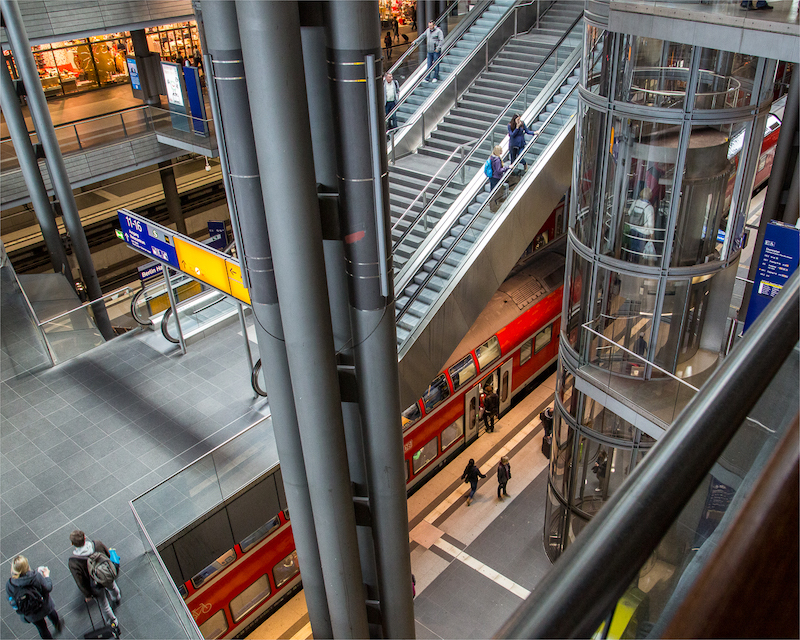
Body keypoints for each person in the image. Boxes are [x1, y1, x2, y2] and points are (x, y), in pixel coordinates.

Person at [68, 530, 120, 636]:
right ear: (84, 538)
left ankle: (113, 622)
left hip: (95, 584)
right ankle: (116, 598)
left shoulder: (74, 562)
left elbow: (80, 581)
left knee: (104, 604)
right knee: (113, 587)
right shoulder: (97, 544)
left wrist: (87, 595)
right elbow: (108, 555)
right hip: (107, 575)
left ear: (72, 544)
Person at [6, 556, 62, 639]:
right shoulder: (35, 577)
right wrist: (46, 576)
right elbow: (48, 588)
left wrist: (21, 611)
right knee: (52, 613)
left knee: (42, 629)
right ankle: (57, 625)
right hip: (44, 605)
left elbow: (12, 601)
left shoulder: (10, 584)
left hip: (30, 613)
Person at [625, 187, 655, 263]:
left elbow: (629, 212)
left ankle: (631, 260)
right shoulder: (649, 207)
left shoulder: (635, 202)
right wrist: (652, 234)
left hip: (633, 228)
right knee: (640, 250)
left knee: (633, 247)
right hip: (643, 231)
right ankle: (636, 263)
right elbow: (650, 223)